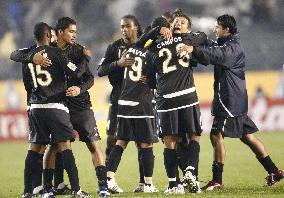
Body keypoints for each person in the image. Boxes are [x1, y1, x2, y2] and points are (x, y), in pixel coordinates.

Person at [180, 14, 284, 190]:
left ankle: (217, 181)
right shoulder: (226, 43)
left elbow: (217, 56)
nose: (215, 29)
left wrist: (193, 50)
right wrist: (197, 40)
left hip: (230, 101)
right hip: (234, 99)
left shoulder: (233, 48)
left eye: (217, 27)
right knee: (247, 137)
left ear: (226, 29)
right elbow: (210, 51)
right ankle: (273, 171)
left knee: (216, 135)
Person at [16, 22, 90, 198]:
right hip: (55, 106)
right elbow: (77, 73)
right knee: (65, 146)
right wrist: (86, 58)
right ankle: (76, 190)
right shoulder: (58, 54)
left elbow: (27, 83)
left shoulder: (28, 55)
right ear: (49, 35)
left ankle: (27, 191)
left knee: (34, 149)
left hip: (35, 107)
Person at [143, 9, 207, 194]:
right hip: (187, 95)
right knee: (194, 135)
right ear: (168, 26)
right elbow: (202, 36)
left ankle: (174, 184)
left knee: (169, 141)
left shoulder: (151, 48)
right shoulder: (186, 40)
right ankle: (190, 171)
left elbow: (150, 80)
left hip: (166, 99)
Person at [97, 15, 146, 193]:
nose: (124, 29)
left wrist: (150, 78)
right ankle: (109, 182)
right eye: (122, 26)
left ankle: (143, 183)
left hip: (141, 99)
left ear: (137, 27)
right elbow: (100, 70)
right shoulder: (115, 47)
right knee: (112, 139)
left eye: (127, 26)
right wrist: (118, 63)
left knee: (142, 141)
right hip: (118, 99)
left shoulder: (146, 45)